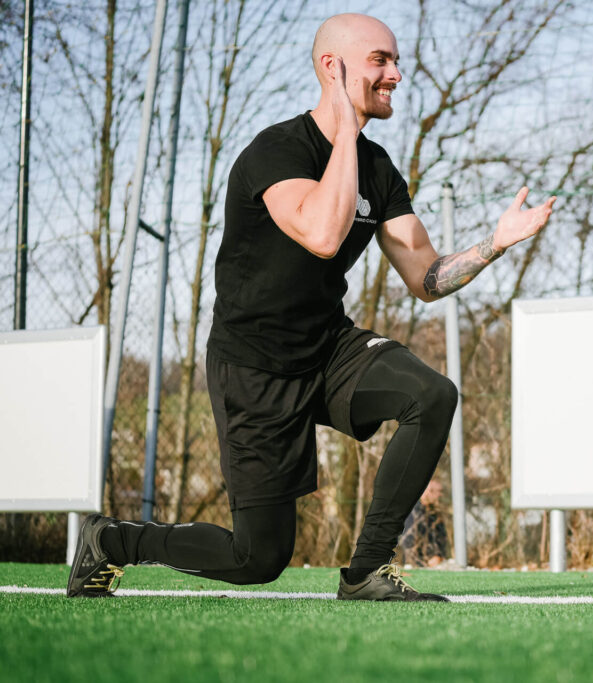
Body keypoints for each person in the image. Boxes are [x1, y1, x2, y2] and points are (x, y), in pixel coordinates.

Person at [67, 13, 555, 602]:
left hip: (327, 348)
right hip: (254, 368)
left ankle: (366, 571)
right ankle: (112, 540)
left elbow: (426, 278)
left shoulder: (378, 169)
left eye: (395, 61)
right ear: (333, 66)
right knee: (257, 558)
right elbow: (324, 233)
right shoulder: (275, 151)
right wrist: (345, 133)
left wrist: (494, 244)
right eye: (381, 60)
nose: (397, 74)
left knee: (432, 394)